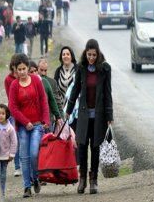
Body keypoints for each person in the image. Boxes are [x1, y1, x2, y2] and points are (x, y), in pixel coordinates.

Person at [65, 39, 113, 194]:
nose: (91, 57)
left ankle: (94, 180)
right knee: (82, 146)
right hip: (84, 115)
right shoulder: (81, 68)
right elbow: (76, 90)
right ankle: (83, 179)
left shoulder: (105, 69)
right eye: (89, 54)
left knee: (95, 147)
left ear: (98, 54)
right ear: (85, 54)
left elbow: (107, 93)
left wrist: (109, 115)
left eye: (94, 55)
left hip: (98, 115)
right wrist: (68, 109)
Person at [8, 54, 50, 198]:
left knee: (34, 153)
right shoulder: (14, 85)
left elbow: (44, 100)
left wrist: (45, 120)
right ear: (15, 69)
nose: (22, 72)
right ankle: (27, 186)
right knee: (24, 157)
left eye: (24, 69)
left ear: (28, 68)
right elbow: (12, 107)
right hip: (23, 127)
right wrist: (25, 122)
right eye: (19, 69)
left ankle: (35, 177)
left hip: (38, 125)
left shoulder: (36, 81)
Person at [29, 60, 61, 130]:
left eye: (35, 71)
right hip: (31, 122)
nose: (34, 73)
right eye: (31, 72)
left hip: (46, 120)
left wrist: (59, 117)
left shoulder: (45, 82)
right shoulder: (24, 85)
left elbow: (53, 101)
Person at [4, 54, 22, 177]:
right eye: (16, 66)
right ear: (12, 66)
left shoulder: (24, 76)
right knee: (15, 140)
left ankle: (25, 164)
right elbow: (10, 98)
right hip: (13, 112)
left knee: (23, 139)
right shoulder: (8, 79)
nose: (18, 69)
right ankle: (17, 166)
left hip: (25, 111)